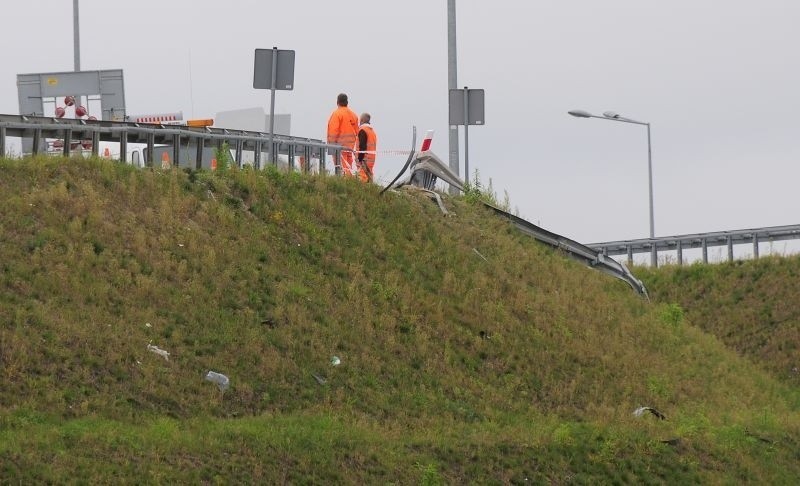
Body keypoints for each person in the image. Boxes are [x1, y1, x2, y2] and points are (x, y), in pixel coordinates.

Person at [326, 93, 359, 176]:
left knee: (341, 168)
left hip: (339, 147)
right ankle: (349, 182)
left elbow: (333, 131)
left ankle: (346, 183)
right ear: (347, 102)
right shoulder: (354, 115)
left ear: (337, 102)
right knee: (348, 167)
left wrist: (331, 146)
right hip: (350, 147)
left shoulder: (337, 114)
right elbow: (357, 132)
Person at [356, 113, 378, 183]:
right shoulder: (372, 131)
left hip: (364, 160)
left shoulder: (363, 130)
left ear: (362, 120)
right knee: (369, 177)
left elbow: (362, 146)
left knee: (362, 179)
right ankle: (371, 191)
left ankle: (362, 192)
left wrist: (360, 159)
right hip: (371, 160)